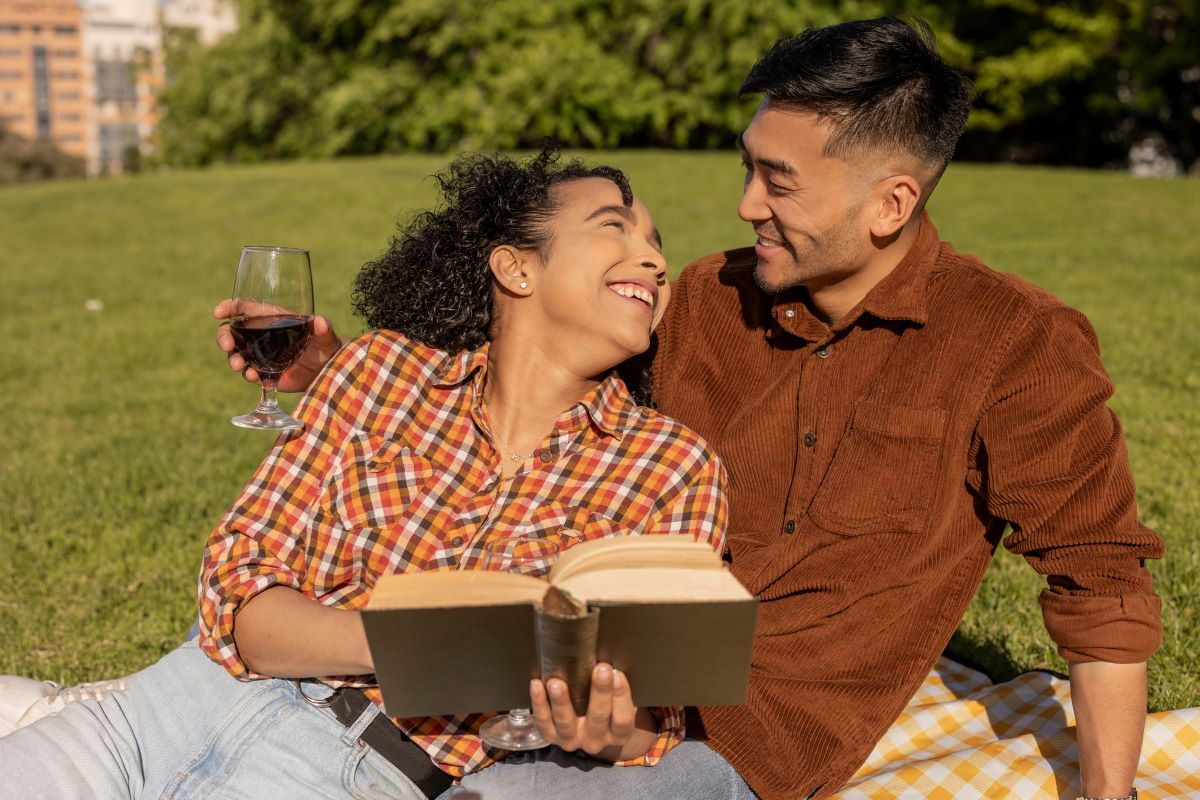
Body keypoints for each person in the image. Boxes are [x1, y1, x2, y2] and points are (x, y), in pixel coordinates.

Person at [217, 17, 1165, 800]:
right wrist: (334, 370)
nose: (747, 203)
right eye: (748, 165)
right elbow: (538, 359)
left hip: (747, 744)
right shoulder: (710, 298)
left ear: (891, 204)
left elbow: (1104, 586)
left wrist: (1108, 795)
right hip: (552, 689)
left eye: (780, 181)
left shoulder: (1018, 345)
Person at [0, 148, 731, 798]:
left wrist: (599, 727)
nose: (654, 259)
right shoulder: (380, 371)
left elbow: (650, 730)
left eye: (658, 244)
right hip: (171, 705)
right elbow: (239, 592)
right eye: (616, 227)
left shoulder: (672, 466)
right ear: (516, 266)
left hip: (356, 772)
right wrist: (413, 642)